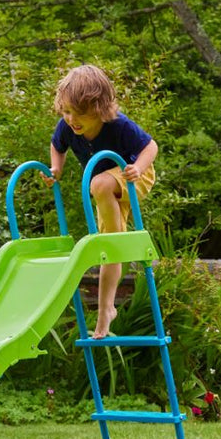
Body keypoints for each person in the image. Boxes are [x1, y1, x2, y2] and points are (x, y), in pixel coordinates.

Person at [41, 64, 158, 339]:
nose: (72, 119)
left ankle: (116, 237)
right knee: (109, 247)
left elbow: (150, 147)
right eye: (67, 112)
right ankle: (106, 312)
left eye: (79, 113)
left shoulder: (118, 124)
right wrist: (55, 169)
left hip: (134, 177)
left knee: (98, 183)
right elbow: (57, 147)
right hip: (105, 192)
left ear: (99, 108)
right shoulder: (67, 127)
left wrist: (138, 168)